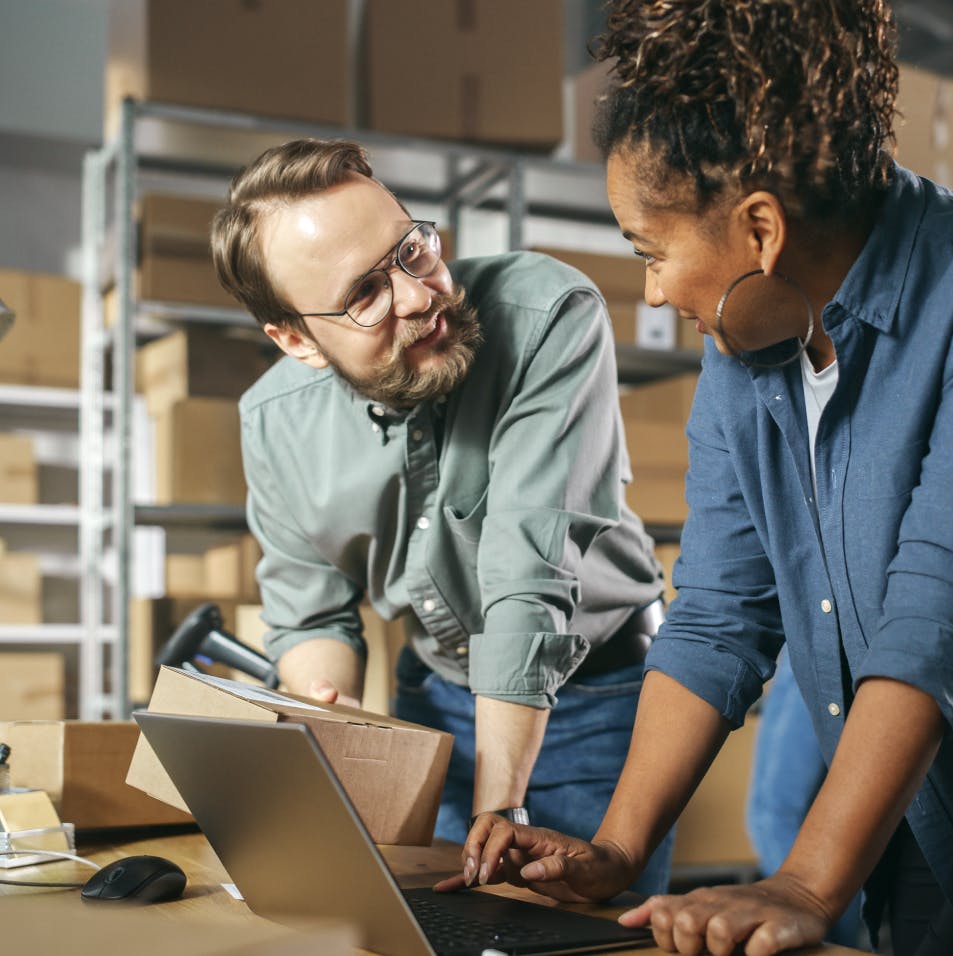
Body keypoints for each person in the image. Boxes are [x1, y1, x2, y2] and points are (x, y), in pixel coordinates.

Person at [446, 1, 953, 953]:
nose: (649, 290)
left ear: (759, 228)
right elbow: (720, 611)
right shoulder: (751, 338)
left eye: (650, 251)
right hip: (912, 832)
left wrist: (805, 881)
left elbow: (931, 622)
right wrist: (615, 848)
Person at [209, 137, 674, 896]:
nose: (418, 296)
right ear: (295, 339)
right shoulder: (272, 422)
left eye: (413, 251)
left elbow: (527, 573)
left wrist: (501, 804)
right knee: (442, 931)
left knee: (579, 941)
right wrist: (333, 714)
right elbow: (309, 614)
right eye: (364, 295)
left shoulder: (546, 313)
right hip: (430, 699)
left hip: (598, 693)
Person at [746, 649, 863, 949]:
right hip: (820, 641)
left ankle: (829, 944)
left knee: (775, 817)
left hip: (826, 642)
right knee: (822, 824)